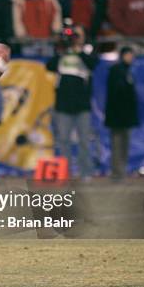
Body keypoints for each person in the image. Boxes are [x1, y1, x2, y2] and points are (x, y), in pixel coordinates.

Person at [47, 24, 97, 180]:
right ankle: (64, 173)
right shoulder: (61, 51)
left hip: (82, 104)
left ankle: (85, 172)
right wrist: (62, 49)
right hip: (63, 104)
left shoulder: (87, 50)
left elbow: (93, 64)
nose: (74, 38)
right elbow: (49, 66)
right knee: (63, 141)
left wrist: (78, 50)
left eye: (77, 35)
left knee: (83, 140)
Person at [105, 47, 139, 180]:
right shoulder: (116, 70)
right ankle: (116, 171)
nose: (130, 58)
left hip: (126, 115)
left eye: (132, 55)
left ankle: (122, 170)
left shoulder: (128, 71)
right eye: (128, 55)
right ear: (123, 56)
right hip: (117, 115)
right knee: (117, 143)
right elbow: (116, 93)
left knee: (125, 144)